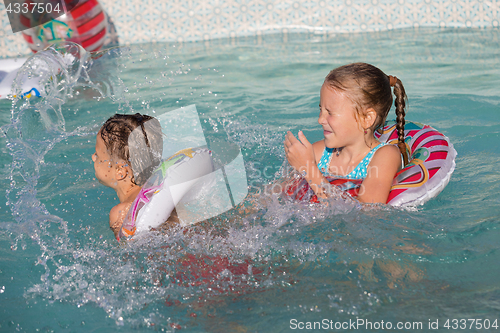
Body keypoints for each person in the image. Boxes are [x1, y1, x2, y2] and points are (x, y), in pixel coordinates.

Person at [284, 63, 408, 204]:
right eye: (321, 110)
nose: (320, 119)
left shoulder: (385, 156)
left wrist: (308, 168)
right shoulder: (321, 152)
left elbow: (366, 213)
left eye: (329, 112)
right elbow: (277, 193)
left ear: (366, 119)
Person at [92, 113, 178, 237]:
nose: (93, 157)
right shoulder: (161, 191)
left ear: (120, 171)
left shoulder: (121, 212)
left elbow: (126, 253)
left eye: (97, 155)